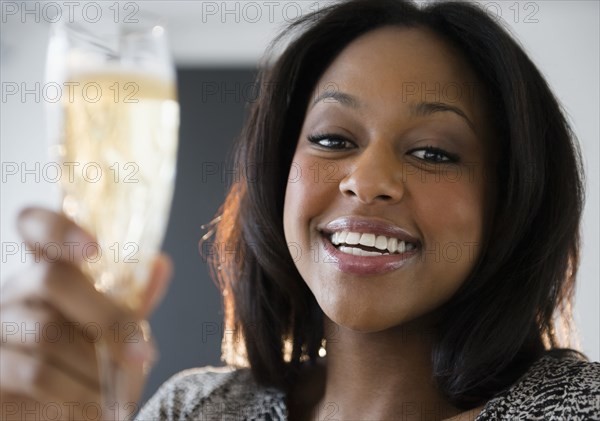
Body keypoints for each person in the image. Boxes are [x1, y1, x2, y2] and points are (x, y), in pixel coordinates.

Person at [1, 0, 598, 420]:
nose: (367, 182)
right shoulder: (195, 411)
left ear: (512, 200)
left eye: (433, 151)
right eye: (334, 140)